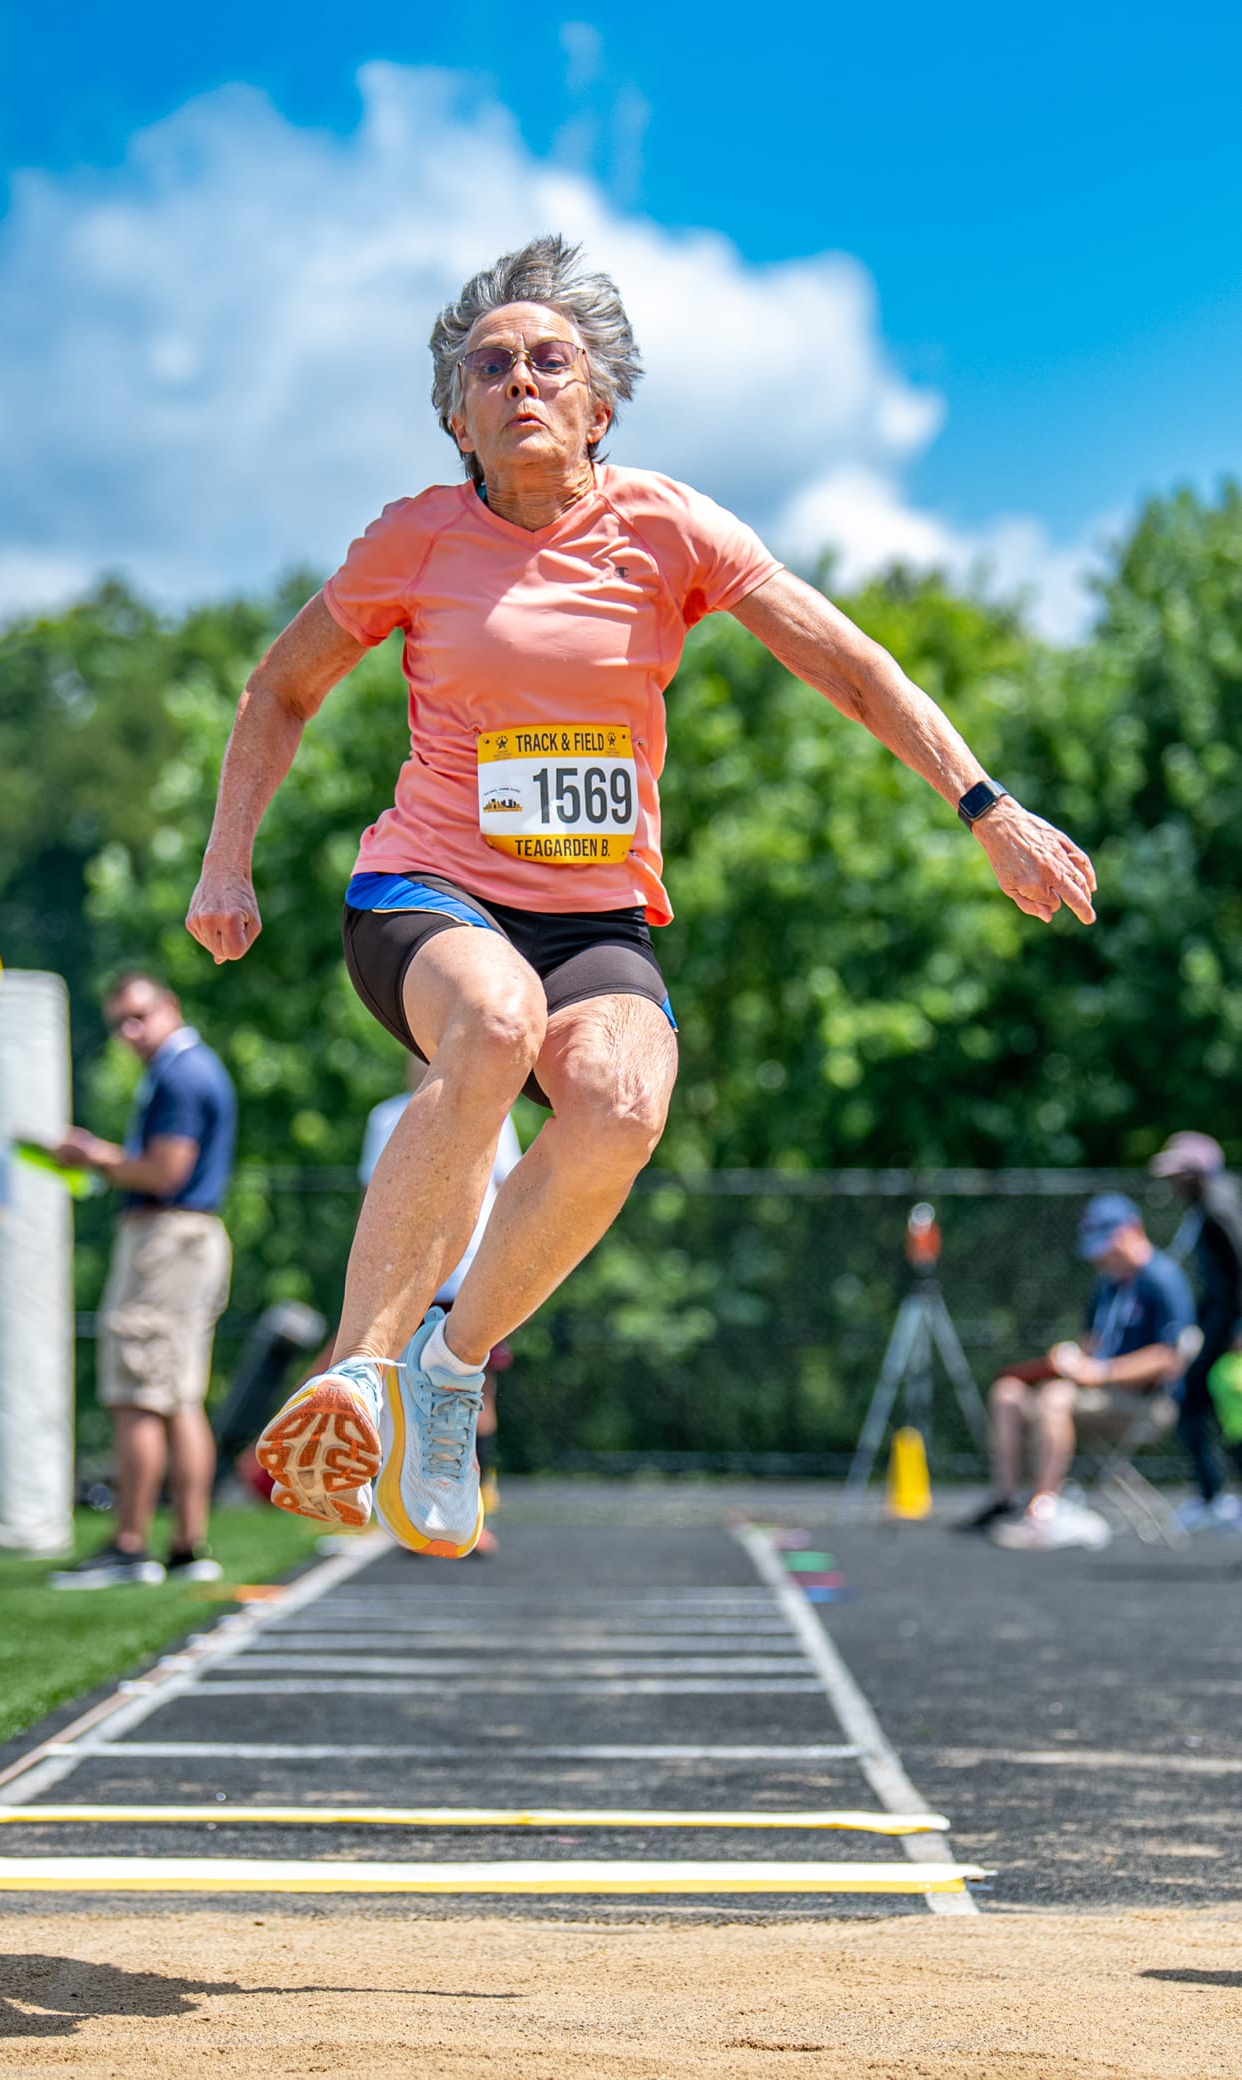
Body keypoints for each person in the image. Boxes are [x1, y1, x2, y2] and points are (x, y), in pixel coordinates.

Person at [185, 233, 1097, 1561]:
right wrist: (228, 859)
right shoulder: (413, 541)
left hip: (595, 922)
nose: (519, 383)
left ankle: (450, 1368)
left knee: (618, 1104)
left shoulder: (666, 527)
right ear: (455, 414)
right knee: (490, 1028)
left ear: (598, 402)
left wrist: (984, 807)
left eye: (548, 361)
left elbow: (847, 666)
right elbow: (278, 691)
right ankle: (360, 1375)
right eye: (488, 368)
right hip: (424, 889)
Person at [48, 972, 237, 1588]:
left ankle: (130, 1544)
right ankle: (187, 1545)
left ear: (170, 1006)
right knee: (180, 1397)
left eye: (139, 1016)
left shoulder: (180, 1074)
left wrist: (93, 1155)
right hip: (192, 1239)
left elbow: (163, 1171)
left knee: (137, 1394)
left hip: (167, 1242)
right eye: (119, 1022)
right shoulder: (195, 1067)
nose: (130, 1032)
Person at [966, 1193, 1195, 1550]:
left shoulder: (1162, 1280)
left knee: (1055, 1399)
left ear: (1132, 1230)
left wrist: (1102, 1373)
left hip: (1146, 1404)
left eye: (1108, 1246)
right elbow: (1092, 1344)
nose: (1102, 1257)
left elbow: (1170, 1356)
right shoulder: (1105, 1285)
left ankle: (1043, 1511)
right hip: (1095, 1393)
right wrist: (1070, 1361)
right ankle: (1006, 1499)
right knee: (1008, 1392)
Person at [358, 1063, 521, 1554]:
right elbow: (374, 1199)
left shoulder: (495, 1111)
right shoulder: (387, 1117)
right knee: (404, 1395)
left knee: (474, 1395)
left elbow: (511, 1187)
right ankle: (411, 1508)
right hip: (409, 1276)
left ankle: (473, 1503)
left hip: (471, 1273)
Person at [1149, 1132, 1242, 1530]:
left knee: (1215, 1407)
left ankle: (1213, 1498)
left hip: (1232, 1327)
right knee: (1203, 1405)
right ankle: (1212, 1496)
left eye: (1180, 1174)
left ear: (1199, 1172)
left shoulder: (1221, 1204)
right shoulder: (1208, 1205)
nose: (1174, 1184)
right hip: (1221, 1323)